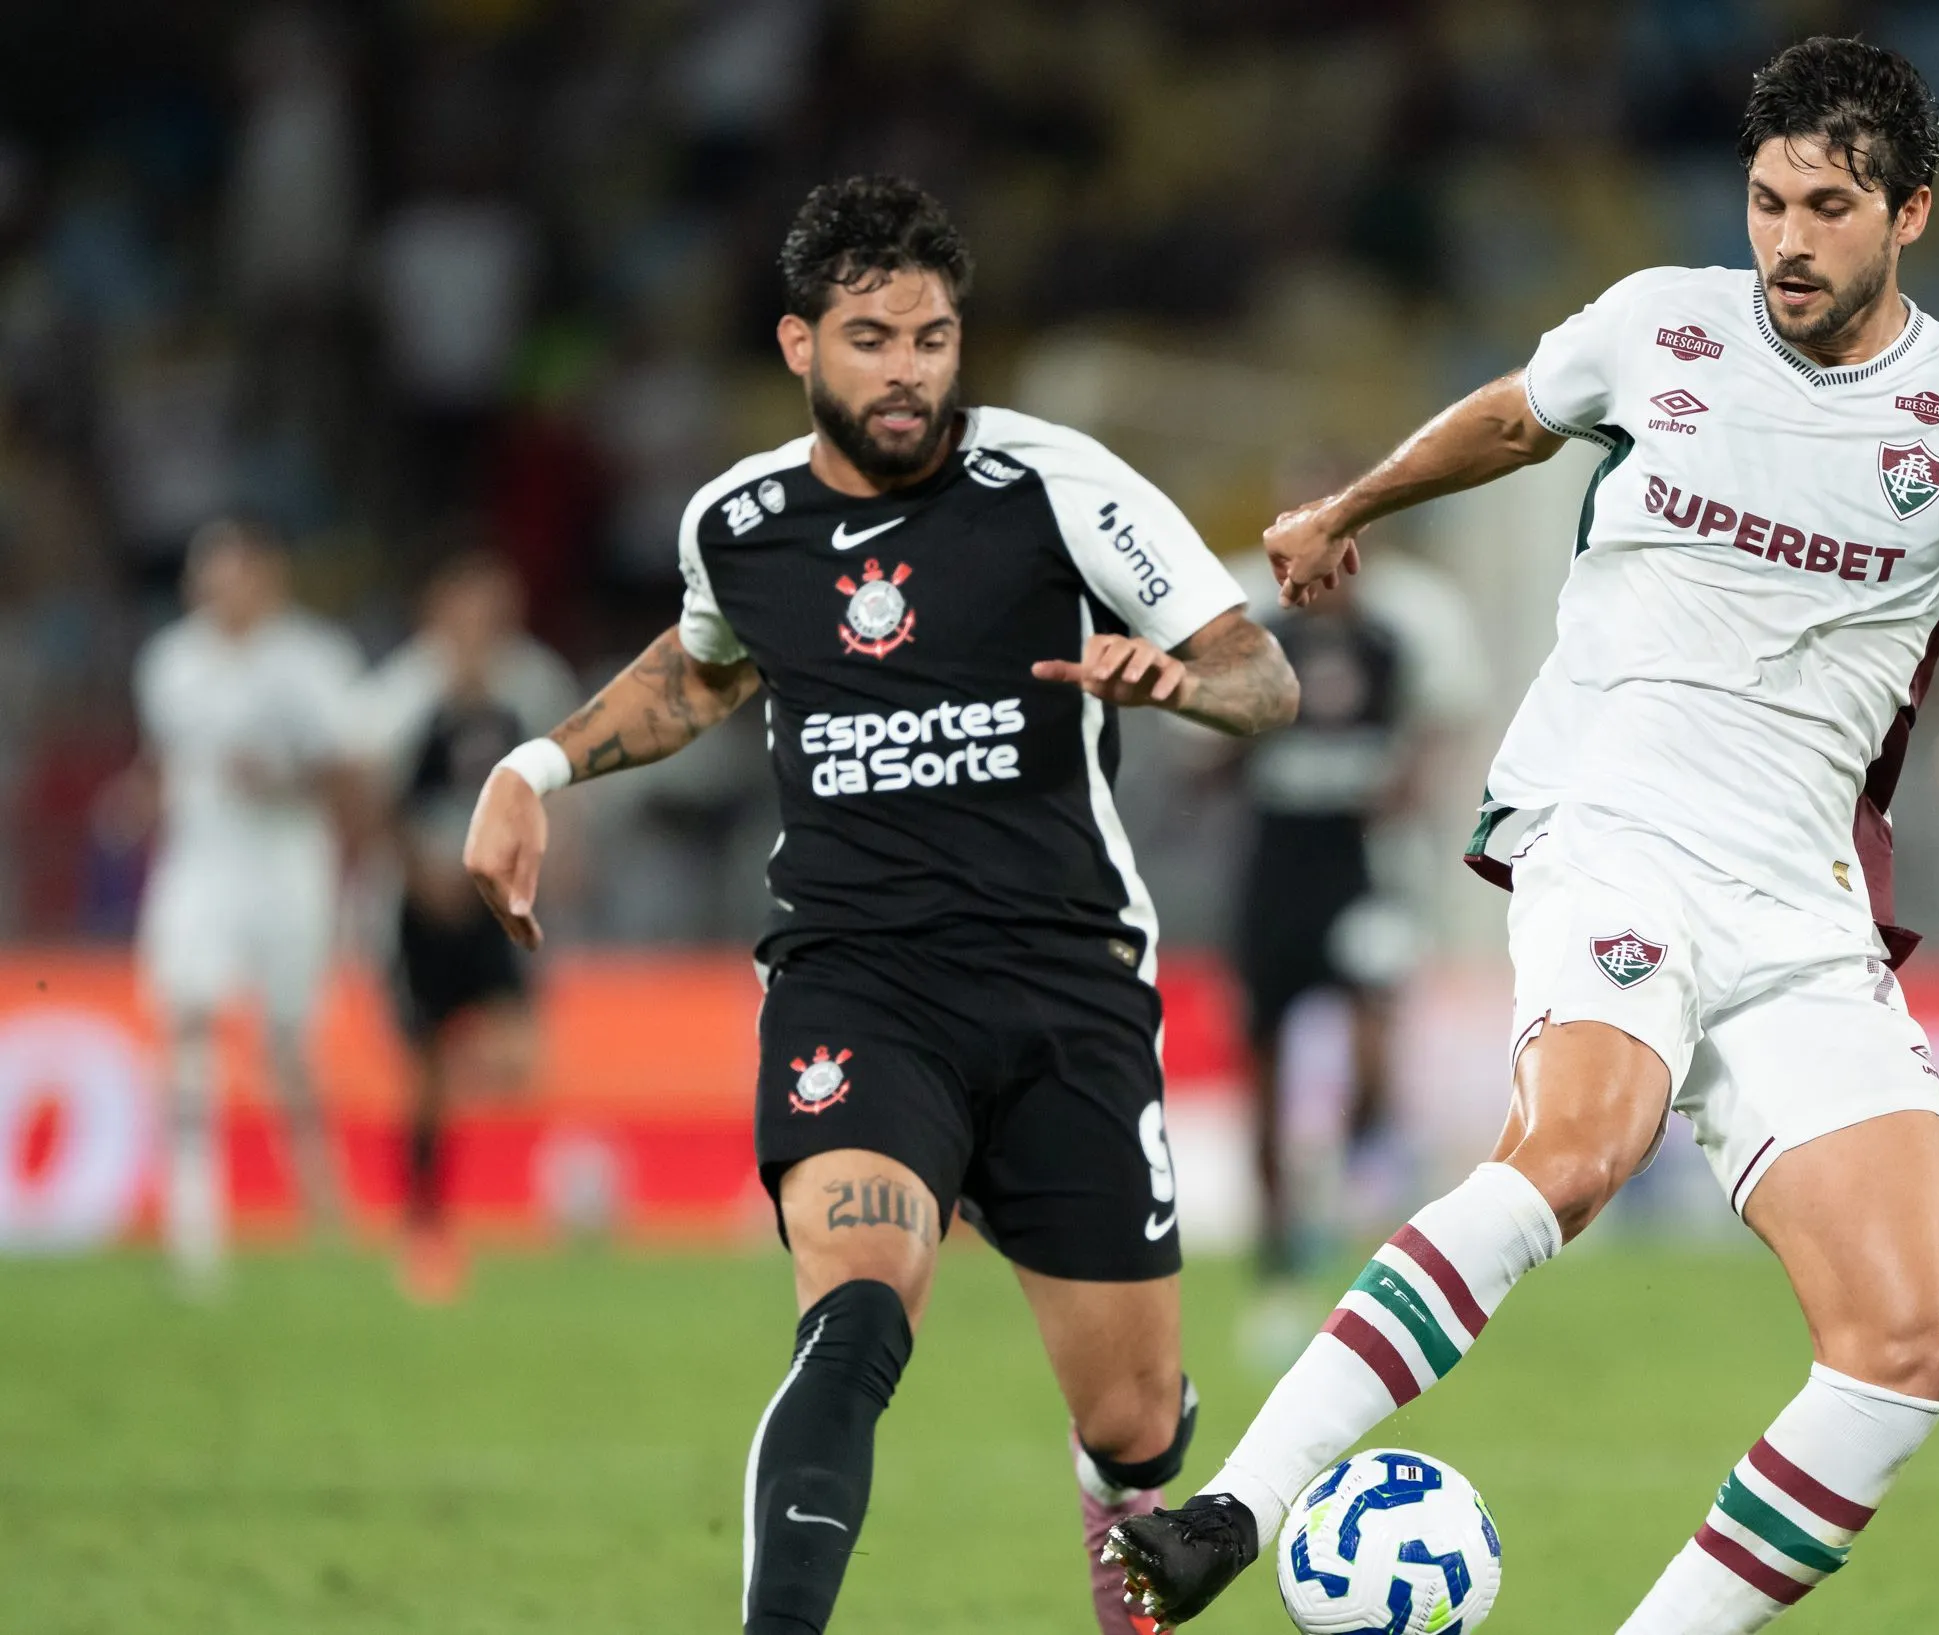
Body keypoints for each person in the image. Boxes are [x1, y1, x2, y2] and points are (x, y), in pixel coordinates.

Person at [1105, 38, 1939, 1632]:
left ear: (1912, 215)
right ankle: (1228, 1513)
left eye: (1828, 205)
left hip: (1798, 897)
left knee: (1905, 1339)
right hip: (1609, 818)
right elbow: (1514, 417)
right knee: (1575, 1144)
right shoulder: (1655, 325)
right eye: (1766, 201)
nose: (1788, 240)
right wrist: (1353, 509)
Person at [457, 177, 1296, 1635]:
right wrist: (533, 766)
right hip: (857, 984)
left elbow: (1259, 673)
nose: (906, 369)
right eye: (870, 338)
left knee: (1134, 1422)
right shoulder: (741, 520)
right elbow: (699, 672)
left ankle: (1119, 1484)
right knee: (853, 1320)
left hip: (1064, 981)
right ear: (798, 346)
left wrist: (1184, 684)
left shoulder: (1057, 483)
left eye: (931, 336)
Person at [1224, 538, 1481, 1314]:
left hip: (1363, 869)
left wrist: (1410, 783)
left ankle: (1334, 1181)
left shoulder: (1394, 637)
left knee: (1374, 1054)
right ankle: (1276, 1259)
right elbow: (1207, 751)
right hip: (1277, 868)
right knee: (1263, 1066)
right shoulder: (1258, 638)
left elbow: (1434, 729)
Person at [132, 518, 363, 1294]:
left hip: (289, 864)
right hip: (201, 864)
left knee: (289, 1043)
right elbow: (168, 760)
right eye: (207, 576)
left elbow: (346, 776)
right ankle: (195, 1227)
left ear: (269, 578)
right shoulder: (169, 663)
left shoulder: (314, 663)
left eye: (232, 574)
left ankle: (322, 1207)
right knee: (187, 1021)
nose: (215, 590)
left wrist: (280, 780)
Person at [355, 552, 579, 1303]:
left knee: (519, 1059)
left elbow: (569, 785)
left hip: (499, 908)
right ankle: (424, 1226)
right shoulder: (401, 694)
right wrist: (418, 874)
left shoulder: (535, 685)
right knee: (419, 1073)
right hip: (418, 912)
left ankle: (464, 1136)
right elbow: (371, 797)